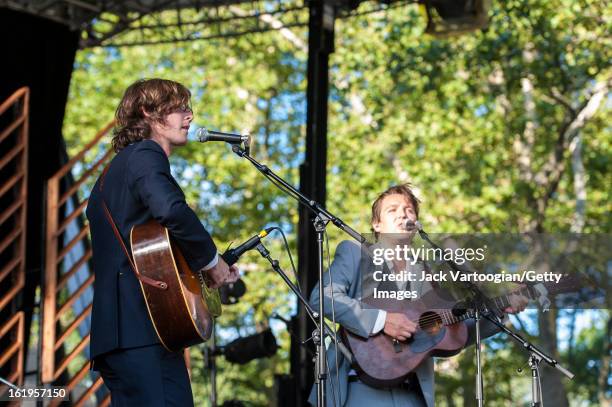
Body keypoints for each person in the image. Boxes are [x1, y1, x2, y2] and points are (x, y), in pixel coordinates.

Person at [86, 78, 239, 406]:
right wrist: (212, 262)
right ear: (148, 112)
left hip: (121, 334)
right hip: (142, 330)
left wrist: (203, 267)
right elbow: (170, 209)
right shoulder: (145, 154)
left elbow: (150, 248)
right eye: (180, 108)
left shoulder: (111, 174)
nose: (190, 116)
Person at [309, 184, 528, 407]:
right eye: (392, 210)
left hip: (414, 395)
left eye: (409, 210)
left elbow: (451, 333)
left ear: (416, 224)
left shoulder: (426, 274)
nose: (403, 214)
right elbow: (322, 298)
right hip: (360, 390)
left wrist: (499, 309)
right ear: (376, 224)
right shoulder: (355, 253)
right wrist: (383, 320)